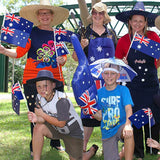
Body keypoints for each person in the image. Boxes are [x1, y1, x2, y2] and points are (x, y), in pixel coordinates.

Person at [0, 0, 69, 156]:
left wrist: (62, 60)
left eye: (47, 13)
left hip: (55, 80)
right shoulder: (30, 32)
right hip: (33, 80)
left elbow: (64, 59)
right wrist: (4, 51)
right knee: (35, 113)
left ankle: (56, 142)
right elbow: (18, 53)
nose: (44, 16)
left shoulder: (58, 35)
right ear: (38, 16)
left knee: (57, 113)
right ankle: (34, 146)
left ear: (52, 16)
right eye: (41, 13)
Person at [115, 2, 160, 159]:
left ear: (146, 22)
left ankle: (154, 149)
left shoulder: (153, 37)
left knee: (154, 116)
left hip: (151, 84)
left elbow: (158, 57)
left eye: (141, 21)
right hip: (134, 87)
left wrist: (154, 66)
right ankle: (138, 152)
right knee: (136, 119)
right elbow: (117, 64)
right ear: (130, 21)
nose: (138, 24)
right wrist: (123, 64)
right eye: (135, 20)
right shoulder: (123, 40)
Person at [72, 1, 117, 152]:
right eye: (95, 13)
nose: (97, 16)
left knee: (109, 110)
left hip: (108, 78)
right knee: (88, 113)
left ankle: (109, 146)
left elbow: (117, 56)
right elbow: (74, 57)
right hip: (89, 78)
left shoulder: (112, 33)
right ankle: (83, 147)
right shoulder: (84, 32)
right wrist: (82, 47)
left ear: (105, 16)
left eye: (101, 13)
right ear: (91, 15)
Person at [27, 70, 99, 160]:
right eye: (39, 86)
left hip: (72, 131)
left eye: (45, 86)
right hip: (56, 129)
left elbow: (61, 123)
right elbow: (42, 119)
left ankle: (91, 151)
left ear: (53, 85)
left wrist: (42, 115)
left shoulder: (61, 100)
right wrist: (36, 119)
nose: (42, 89)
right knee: (38, 127)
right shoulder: (39, 97)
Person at [93, 62, 134, 160]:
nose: (109, 76)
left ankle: (128, 156)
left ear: (118, 76)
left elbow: (128, 109)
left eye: (113, 73)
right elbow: (97, 113)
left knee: (129, 133)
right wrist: (97, 115)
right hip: (107, 130)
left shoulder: (123, 90)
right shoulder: (98, 93)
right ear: (102, 75)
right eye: (106, 73)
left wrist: (128, 124)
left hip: (121, 125)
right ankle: (122, 153)